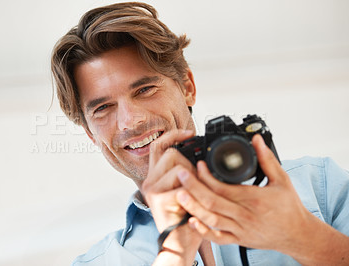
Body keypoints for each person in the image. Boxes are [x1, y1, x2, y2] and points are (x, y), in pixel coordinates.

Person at [51, 2, 349, 265]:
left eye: (145, 89)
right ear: (91, 134)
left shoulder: (321, 187)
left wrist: (301, 236)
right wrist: (176, 252)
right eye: (103, 108)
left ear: (187, 87)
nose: (131, 121)